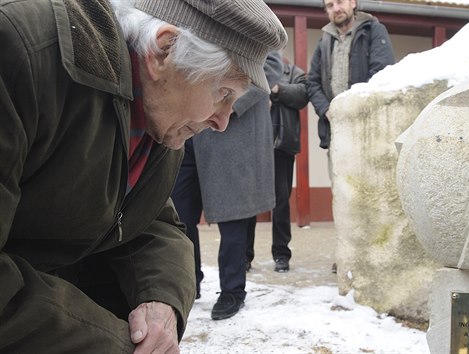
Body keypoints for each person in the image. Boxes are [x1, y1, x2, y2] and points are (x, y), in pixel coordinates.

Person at [0, 0, 286, 352]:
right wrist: (117, 343)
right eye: (223, 93)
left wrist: (162, 301)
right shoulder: (19, 50)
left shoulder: (159, 113)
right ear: (164, 51)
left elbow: (151, 221)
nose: (222, 121)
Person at [171, 51, 283, 320]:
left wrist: (224, 103)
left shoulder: (248, 10)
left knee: (233, 217)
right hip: (190, 133)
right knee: (178, 216)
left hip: (231, 133)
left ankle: (232, 291)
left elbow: (270, 68)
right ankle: (188, 283)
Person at [307, 0, 395, 273]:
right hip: (336, 133)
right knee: (342, 193)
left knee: (370, 192)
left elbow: (382, 74)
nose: (336, 8)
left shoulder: (373, 31)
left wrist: (353, 109)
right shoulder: (324, 40)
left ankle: (372, 254)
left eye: (341, 2)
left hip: (366, 130)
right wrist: (327, 110)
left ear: (353, 3)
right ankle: (347, 253)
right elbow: (312, 82)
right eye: (330, 4)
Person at [246, 58, 309, 273]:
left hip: (282, 145)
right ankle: (245, 256)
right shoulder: (252, 67)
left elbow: (302, 94)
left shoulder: (294, 72)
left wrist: (275, 89)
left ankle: (281, 254)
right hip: (253, 144)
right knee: (248, 203)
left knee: (281, 201)